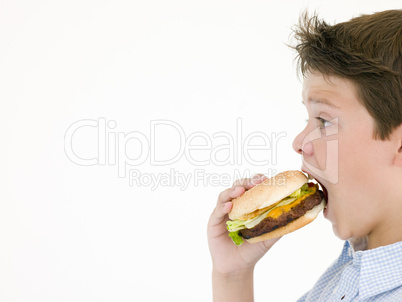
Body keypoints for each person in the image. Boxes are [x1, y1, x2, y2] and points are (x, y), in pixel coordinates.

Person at [207, 9, 402, 302]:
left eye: (324, 121)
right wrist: (232, 275)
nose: (299, 143)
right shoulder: (341, 278)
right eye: (307, 120)